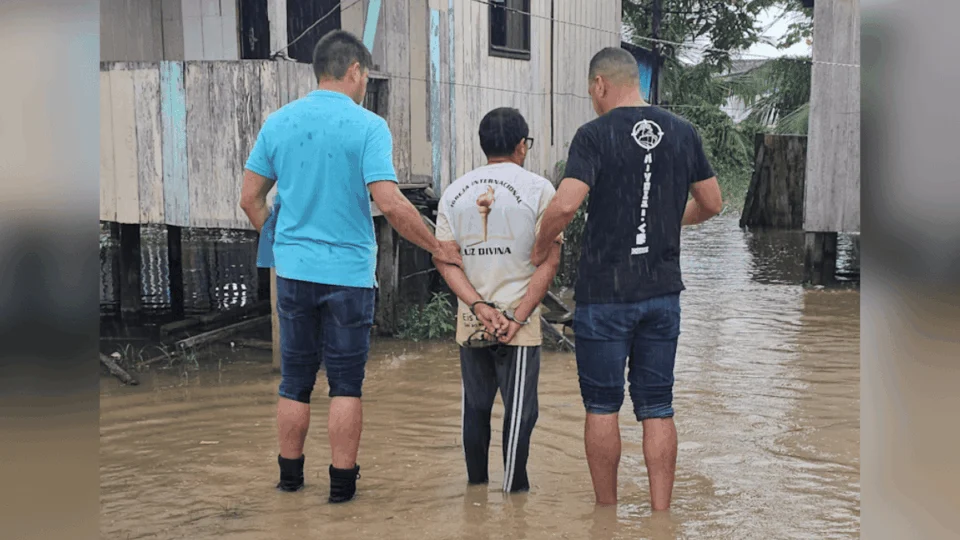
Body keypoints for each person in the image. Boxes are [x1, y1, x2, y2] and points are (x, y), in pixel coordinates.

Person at [239, 30, 462, 504]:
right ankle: (341, 495)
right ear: (355, 71)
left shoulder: (278, 122)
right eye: (367, 75)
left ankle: (290, 484)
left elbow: (249, 199)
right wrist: (438, 246)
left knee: (294, 382)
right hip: (348, 277)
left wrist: (284, 249)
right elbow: (392, 204)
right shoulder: (368, 127)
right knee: (345, 385)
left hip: (294, 273)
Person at [530, 47, 723, 510]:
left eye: (591, 92)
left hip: (605, 296)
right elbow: (714, 203)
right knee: (657, 406)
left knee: (602, 405)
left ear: (600, 85)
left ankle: (607, 514)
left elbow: (565, 204)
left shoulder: (594, 135)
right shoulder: (683, 131)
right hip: (661, 295)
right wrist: (661, 220)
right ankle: (660, 516)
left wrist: (540, 247)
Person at [433, 107, 563, 493]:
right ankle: (514, 498)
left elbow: (446, 261)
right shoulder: (540, 189)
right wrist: (518, 316)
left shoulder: (454, 191)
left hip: (474, 319)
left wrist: (478, 306)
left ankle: (475, 494)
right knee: (521, 411)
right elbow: (550, 262)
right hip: (517, 325)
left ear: (482, 145)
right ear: (522, 146)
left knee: (475, 408)